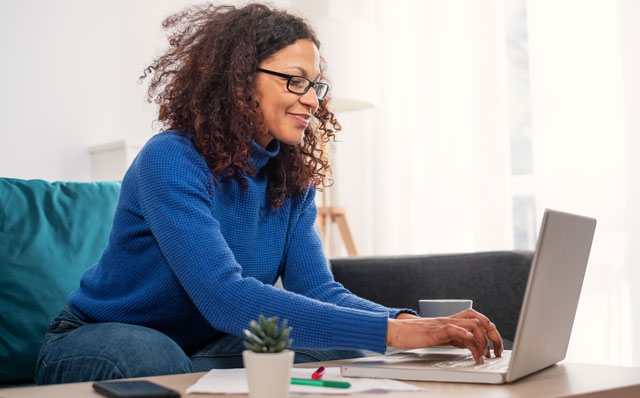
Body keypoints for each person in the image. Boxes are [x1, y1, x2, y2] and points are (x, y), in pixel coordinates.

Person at [35, 3, 502, 385]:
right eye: (295, 80)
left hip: (200, 347)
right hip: (99, 339)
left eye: (315, 85)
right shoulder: (171, 158)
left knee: (341, 346)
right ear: (239, 82)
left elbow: (318, 290)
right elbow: (225, 297)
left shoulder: (289, 178)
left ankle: (193, 381)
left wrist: (408, 323)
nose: (313, 99)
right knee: (152, 357)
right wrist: (394, 332)